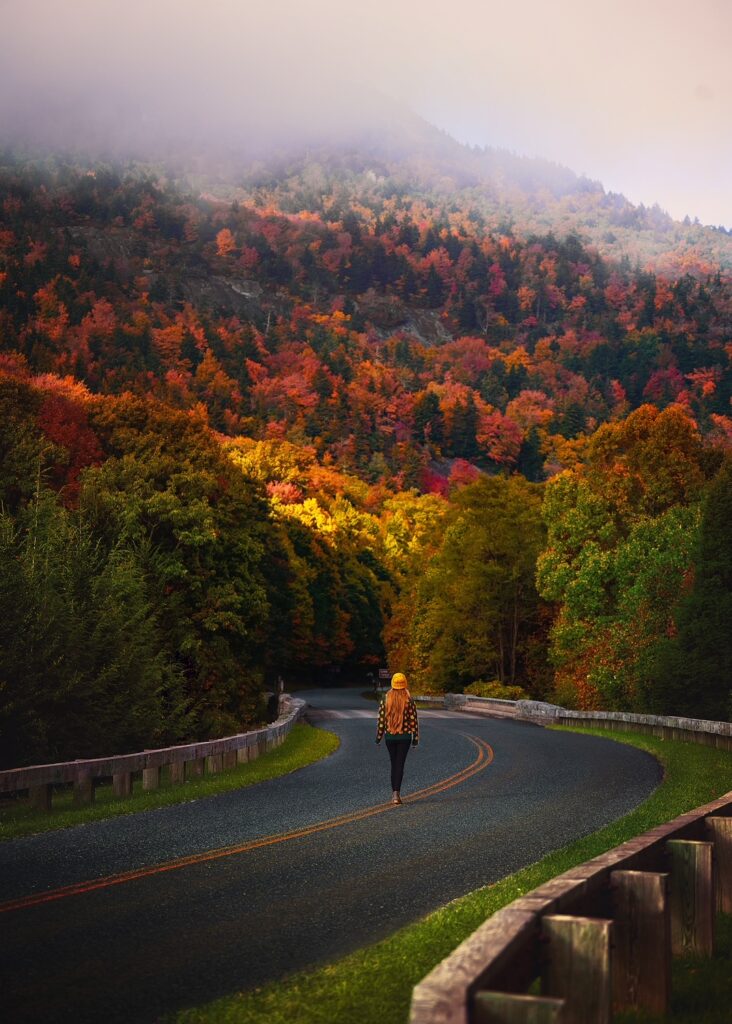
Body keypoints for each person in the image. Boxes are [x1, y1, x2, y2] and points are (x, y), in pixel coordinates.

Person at [375, 671, 419, 804]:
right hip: (405, 738)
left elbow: (381, 720)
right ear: (404, 684)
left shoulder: (386, 699)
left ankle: (393, 794)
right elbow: (413, 721)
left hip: (390, 737)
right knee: (400, 764)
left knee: (393, 764)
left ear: (392, 684)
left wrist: (378, 738)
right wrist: (415, 739)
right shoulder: (409, 700)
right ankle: (396, 795)